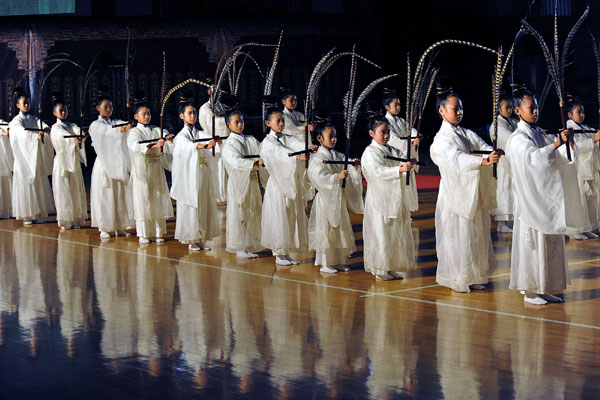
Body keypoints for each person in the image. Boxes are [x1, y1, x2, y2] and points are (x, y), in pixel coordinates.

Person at [507, 89, 587, 304]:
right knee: (534, 244)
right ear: (517, 110)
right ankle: (531, 290)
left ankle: (543, 287)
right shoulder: (518, 138)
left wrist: (566, 145)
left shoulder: (539, 132)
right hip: (530, 201)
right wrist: (556, 145)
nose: (535, 111)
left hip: (544, 200)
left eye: (536, 107)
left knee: (548, 243)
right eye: (530, 107)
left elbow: (559, 156)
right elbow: (533, 159)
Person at [430, 90, 501, 292]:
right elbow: (457, 160)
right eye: (455, 108)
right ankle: (458, 277)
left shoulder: (465, 133)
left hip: (471, 190)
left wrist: (492, 152)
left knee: (476, 234)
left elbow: (482, 145)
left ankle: (475, 274)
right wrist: (483, 161)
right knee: (457, 235)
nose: (459, 112)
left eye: (461, 108)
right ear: (442, 111)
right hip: (455, 193)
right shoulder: (441, 139)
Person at [259, 106, 317, 265]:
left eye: (282, 120)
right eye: (278, 121)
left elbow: (295, 143)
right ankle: (278, 252)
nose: (281, 123)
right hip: (278, 184)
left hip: (289, 181)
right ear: (268, 123)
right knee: (280, 216)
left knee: (290, 215)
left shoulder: (285, 137)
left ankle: (285, 251)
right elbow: (280, 154)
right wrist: (298, 157)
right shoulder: (267, 143)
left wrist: (308, 147)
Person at [361, 115, 415, 280]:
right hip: (378, 198)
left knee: (392, 233)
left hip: (393, 197)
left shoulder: (391, 150)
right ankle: (379, 268)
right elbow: (376, 172)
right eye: (382, 132)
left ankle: (389, 265)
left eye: (388, 132)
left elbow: (401, 158)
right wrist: (398, 170)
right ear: (371, 133)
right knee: (380, 233)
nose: (386, 135)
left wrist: (407, 163)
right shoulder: (370, 153)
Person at [307, 122, 363, 273]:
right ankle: (325, 263)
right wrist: (337, 176)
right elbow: (318, 177)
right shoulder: (317, 157)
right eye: (330, 136)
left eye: (335, 136)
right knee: (326, 230)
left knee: (338, 230)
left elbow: (346, 161)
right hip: (325, 199)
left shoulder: (335, 155)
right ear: (319, 138)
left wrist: (354, 165)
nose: (333, 139)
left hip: (337, 198)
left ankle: (337, 260)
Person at [171, 100, 221, 251]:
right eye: (190, 113)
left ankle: (200, 237)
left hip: (202, 173)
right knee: (191, 205)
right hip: (189, 177)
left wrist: (215, 140)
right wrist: (203, 145)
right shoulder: (181, 136)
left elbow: (209, 139)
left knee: (203, 203)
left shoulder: (199, 133)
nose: (193, 116)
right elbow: (187, 147)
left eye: (195, 113)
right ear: (182, 116)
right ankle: (191, 238)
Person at [126, 102, 174, 244]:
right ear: (136, 116)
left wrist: (168, 138)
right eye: (143, 114)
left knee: (157, 197)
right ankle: (144, 233)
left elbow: (164, 134)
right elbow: (135, 146)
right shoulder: (134, 132)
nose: (147, 116)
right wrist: (154, 145)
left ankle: (158, 232)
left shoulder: (155, 129)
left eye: (149, 114)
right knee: (143, 199)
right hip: (142, 168)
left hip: (156, 167)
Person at [221, 109, 263, 258]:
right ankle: (239, 247)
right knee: (239, 212)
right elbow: (235, 162)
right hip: (238, 182)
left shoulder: (250, 139)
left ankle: (249, 244)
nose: (240, 125)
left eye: (242, 121)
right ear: (228, 124)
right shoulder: (229, 145)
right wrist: (254, 163)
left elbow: (263, 150)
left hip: (251, 180)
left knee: (252, 211)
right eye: (236, 122)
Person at [8, 90, 55, 225]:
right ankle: (27, 214)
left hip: (34, 156)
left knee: (38, 181)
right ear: (18, 105)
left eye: (28, 102)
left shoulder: (33, 118)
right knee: (25, 183)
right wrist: (35, 136)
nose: (27, 105)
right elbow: (21, 133)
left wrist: (45, 129)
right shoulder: (16, 121)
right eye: (24, 103)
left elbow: (41, 124)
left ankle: (38, 211)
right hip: (24, 157)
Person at [50, 97, 88, 230]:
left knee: (74, 188)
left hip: (73, 159)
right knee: (64, 188)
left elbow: (77, 129)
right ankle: (65, 220)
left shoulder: (71, 124)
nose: (63, 113)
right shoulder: (55, 128)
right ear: (55, 113)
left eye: (65, 110)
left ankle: (75, 218)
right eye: (60, 110)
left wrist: (82, 134)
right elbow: (63, 136)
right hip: (62, 161)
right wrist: (73, 141)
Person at [566, 99, 600, 239]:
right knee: (579, 200)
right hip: (578, 170)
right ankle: (575, 229)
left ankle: (588, 226)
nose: (581, 114)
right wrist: (593, 140)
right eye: (578, 112)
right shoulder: (569, 129)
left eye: (583, 112)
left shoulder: (585, 129)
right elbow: (577, 147)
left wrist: (596, 139)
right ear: (569, 115)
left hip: (589, 169)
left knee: (590, 199)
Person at [383, 92, 421, 211]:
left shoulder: (400, 120)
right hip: (396, 155)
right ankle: (399, 210)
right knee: (399, 184)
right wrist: (409, 143)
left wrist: (416, 136)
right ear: (387, 107)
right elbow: (392, 139)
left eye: (399, 104)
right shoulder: (385, 122)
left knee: (408, 184)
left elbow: (410, 130)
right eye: (395, 105)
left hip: (405, 153)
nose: (398, 107)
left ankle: (407, 210)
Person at [489, 93, 519, 233]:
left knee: (512, 192)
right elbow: (509, 140)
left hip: (512, 161)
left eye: (511, 107)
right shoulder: (496, 126)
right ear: (499, 109)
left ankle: (511, 221)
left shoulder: (512, 122)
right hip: (503, 163)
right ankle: (501, 223)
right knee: (504, 190)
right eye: (507, 107)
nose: (510, 110)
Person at [198, 92, 234, 205]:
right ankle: (218, 196)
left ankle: (229, 195)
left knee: (228, 169)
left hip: (228, 141)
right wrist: (226, 120)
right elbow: (209, 123)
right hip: (214, 142)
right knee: (217, 170)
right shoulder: (205, 108)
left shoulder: (224, 104)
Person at [0, 118, 13, 218]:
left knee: (4, 180)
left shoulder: (1, 122)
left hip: (2, 157)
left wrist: (8, 130)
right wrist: (2, 132)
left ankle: (5, 210)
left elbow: (7, 127)